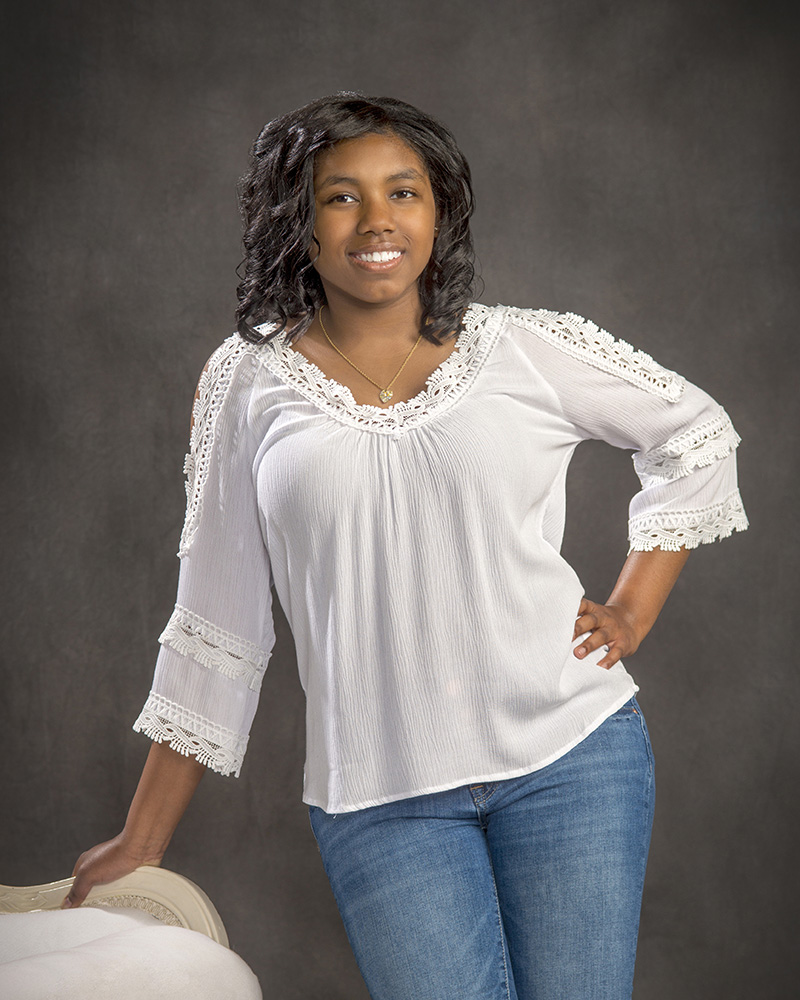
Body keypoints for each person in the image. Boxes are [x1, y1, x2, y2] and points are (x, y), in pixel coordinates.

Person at [64, 94, 748, 999]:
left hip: (573, 760)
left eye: (404, 191)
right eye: (341, 196)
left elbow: (696, 435)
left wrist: (630, 609)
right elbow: (217, 625)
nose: (377, 219)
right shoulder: (245, 384)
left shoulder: (521, 350)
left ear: (440, 210)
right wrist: (141, 843)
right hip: (377, 797)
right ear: (296, 223)